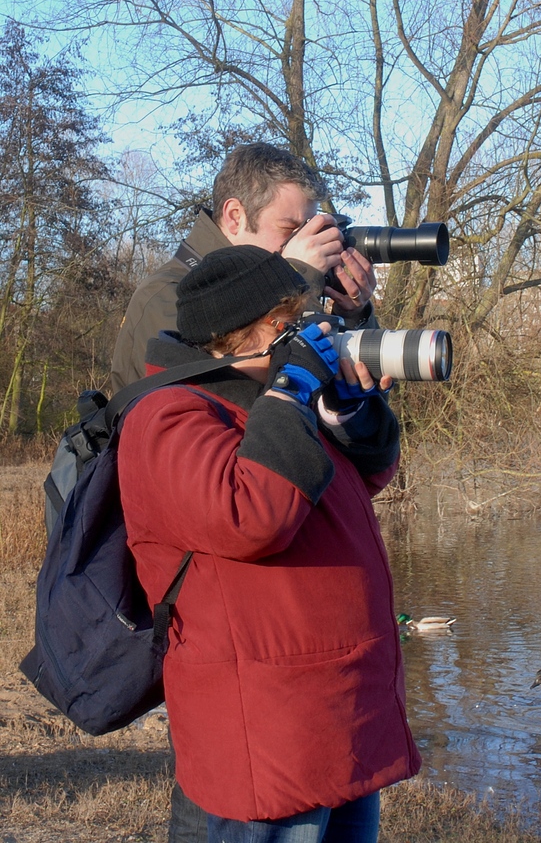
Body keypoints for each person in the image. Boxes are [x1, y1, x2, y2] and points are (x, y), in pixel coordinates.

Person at [117, 245, 420, 843]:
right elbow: (251, 516)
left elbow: (367, 479)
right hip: (270, 731)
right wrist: (291, 390)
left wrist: (352, 414)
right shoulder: (167, 416)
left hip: (340, 713)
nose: (303, 336)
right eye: (286, 326)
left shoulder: (273, 402)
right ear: (238, 337)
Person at [111, 142, 378, 392]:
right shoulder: (168, 297)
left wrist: (353, 315)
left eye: (311, 230)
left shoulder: (270, 290)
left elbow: (335, 407)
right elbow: (257, 404)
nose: (308, 244)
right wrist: (296, 278)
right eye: (291, 229)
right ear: (235, 217)